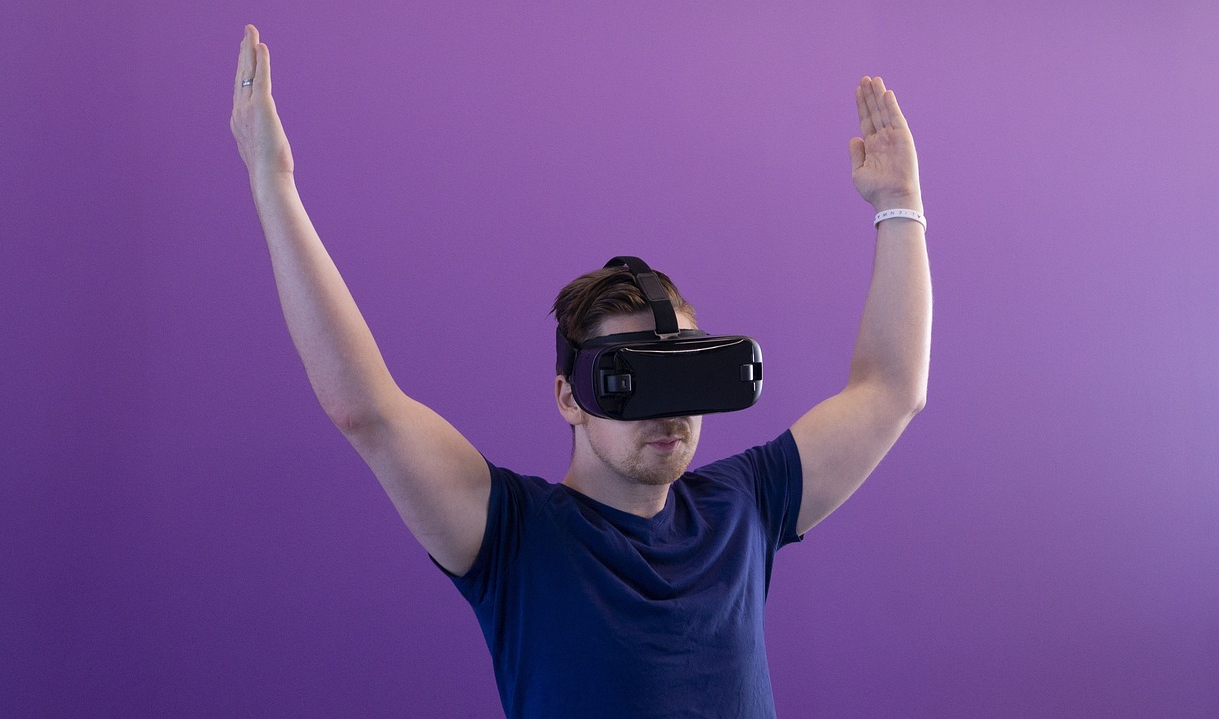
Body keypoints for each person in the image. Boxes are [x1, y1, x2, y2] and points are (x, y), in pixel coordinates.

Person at [231, 23, 930, 719]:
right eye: (635, 380)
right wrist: (273, 184)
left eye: (685, 375)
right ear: (569, 397)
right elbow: (367, 408)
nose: (671, 413)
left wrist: (900, 206)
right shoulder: (514, 537)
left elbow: (891, 390)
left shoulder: (743, 507)